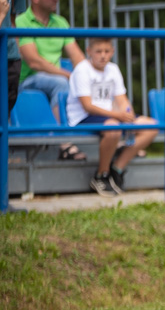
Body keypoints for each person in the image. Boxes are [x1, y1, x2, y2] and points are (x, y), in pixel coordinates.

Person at [67, 37, 157, 196]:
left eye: (107, 51)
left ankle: (117, 169)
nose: (103, 55)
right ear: (89, 52)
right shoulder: (81, 70)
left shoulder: (113, 69)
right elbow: (87, 106)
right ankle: (101, 175)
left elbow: (122, 100)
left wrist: (127, 114)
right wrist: (119, 115)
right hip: (84, 117)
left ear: (112, 52)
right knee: (113, 128)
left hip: (111, 115)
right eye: (98, 51)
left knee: (151, 126)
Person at [17, 0, 86, 161]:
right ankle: (64, 144)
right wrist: (67, 74)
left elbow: (77, 56)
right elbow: (33, 62)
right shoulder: (21, 21)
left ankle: (117, 136)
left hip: (53, 77)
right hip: (28, 80)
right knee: (62, 83)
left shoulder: (60, 22)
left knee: (95, 80)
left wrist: (88, 75)